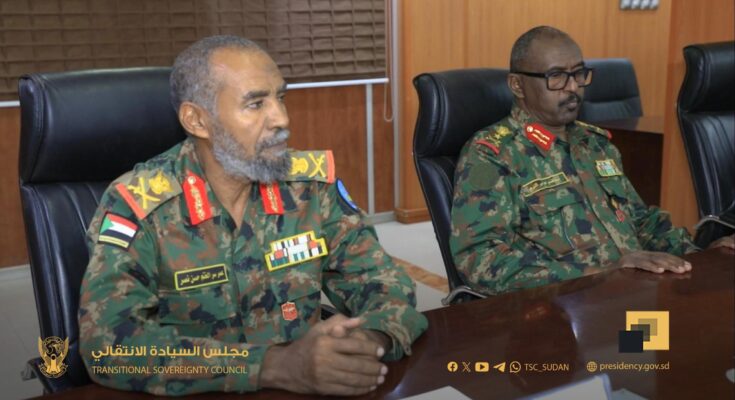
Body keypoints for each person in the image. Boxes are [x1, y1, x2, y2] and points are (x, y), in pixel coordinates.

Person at [78, 35, 427, 396]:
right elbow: (107, 345)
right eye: (256, 103)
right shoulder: (139, 205)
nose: (282, 119)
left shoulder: (309, 189)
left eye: (281, 98)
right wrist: (274, 366)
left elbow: (385, 284)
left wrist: (367, 341)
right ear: (197, 120)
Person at [450, 26, 734, 296]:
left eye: (579, 74)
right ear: (517, 85)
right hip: (559, 309)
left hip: (629, 295)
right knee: (663, 332)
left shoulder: (595, 144)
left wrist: (700, 253)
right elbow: (480, 260)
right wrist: (598, 272)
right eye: (557, 77)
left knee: (702, 320)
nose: (573, 87)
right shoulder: (492, 154)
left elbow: (641, 221)